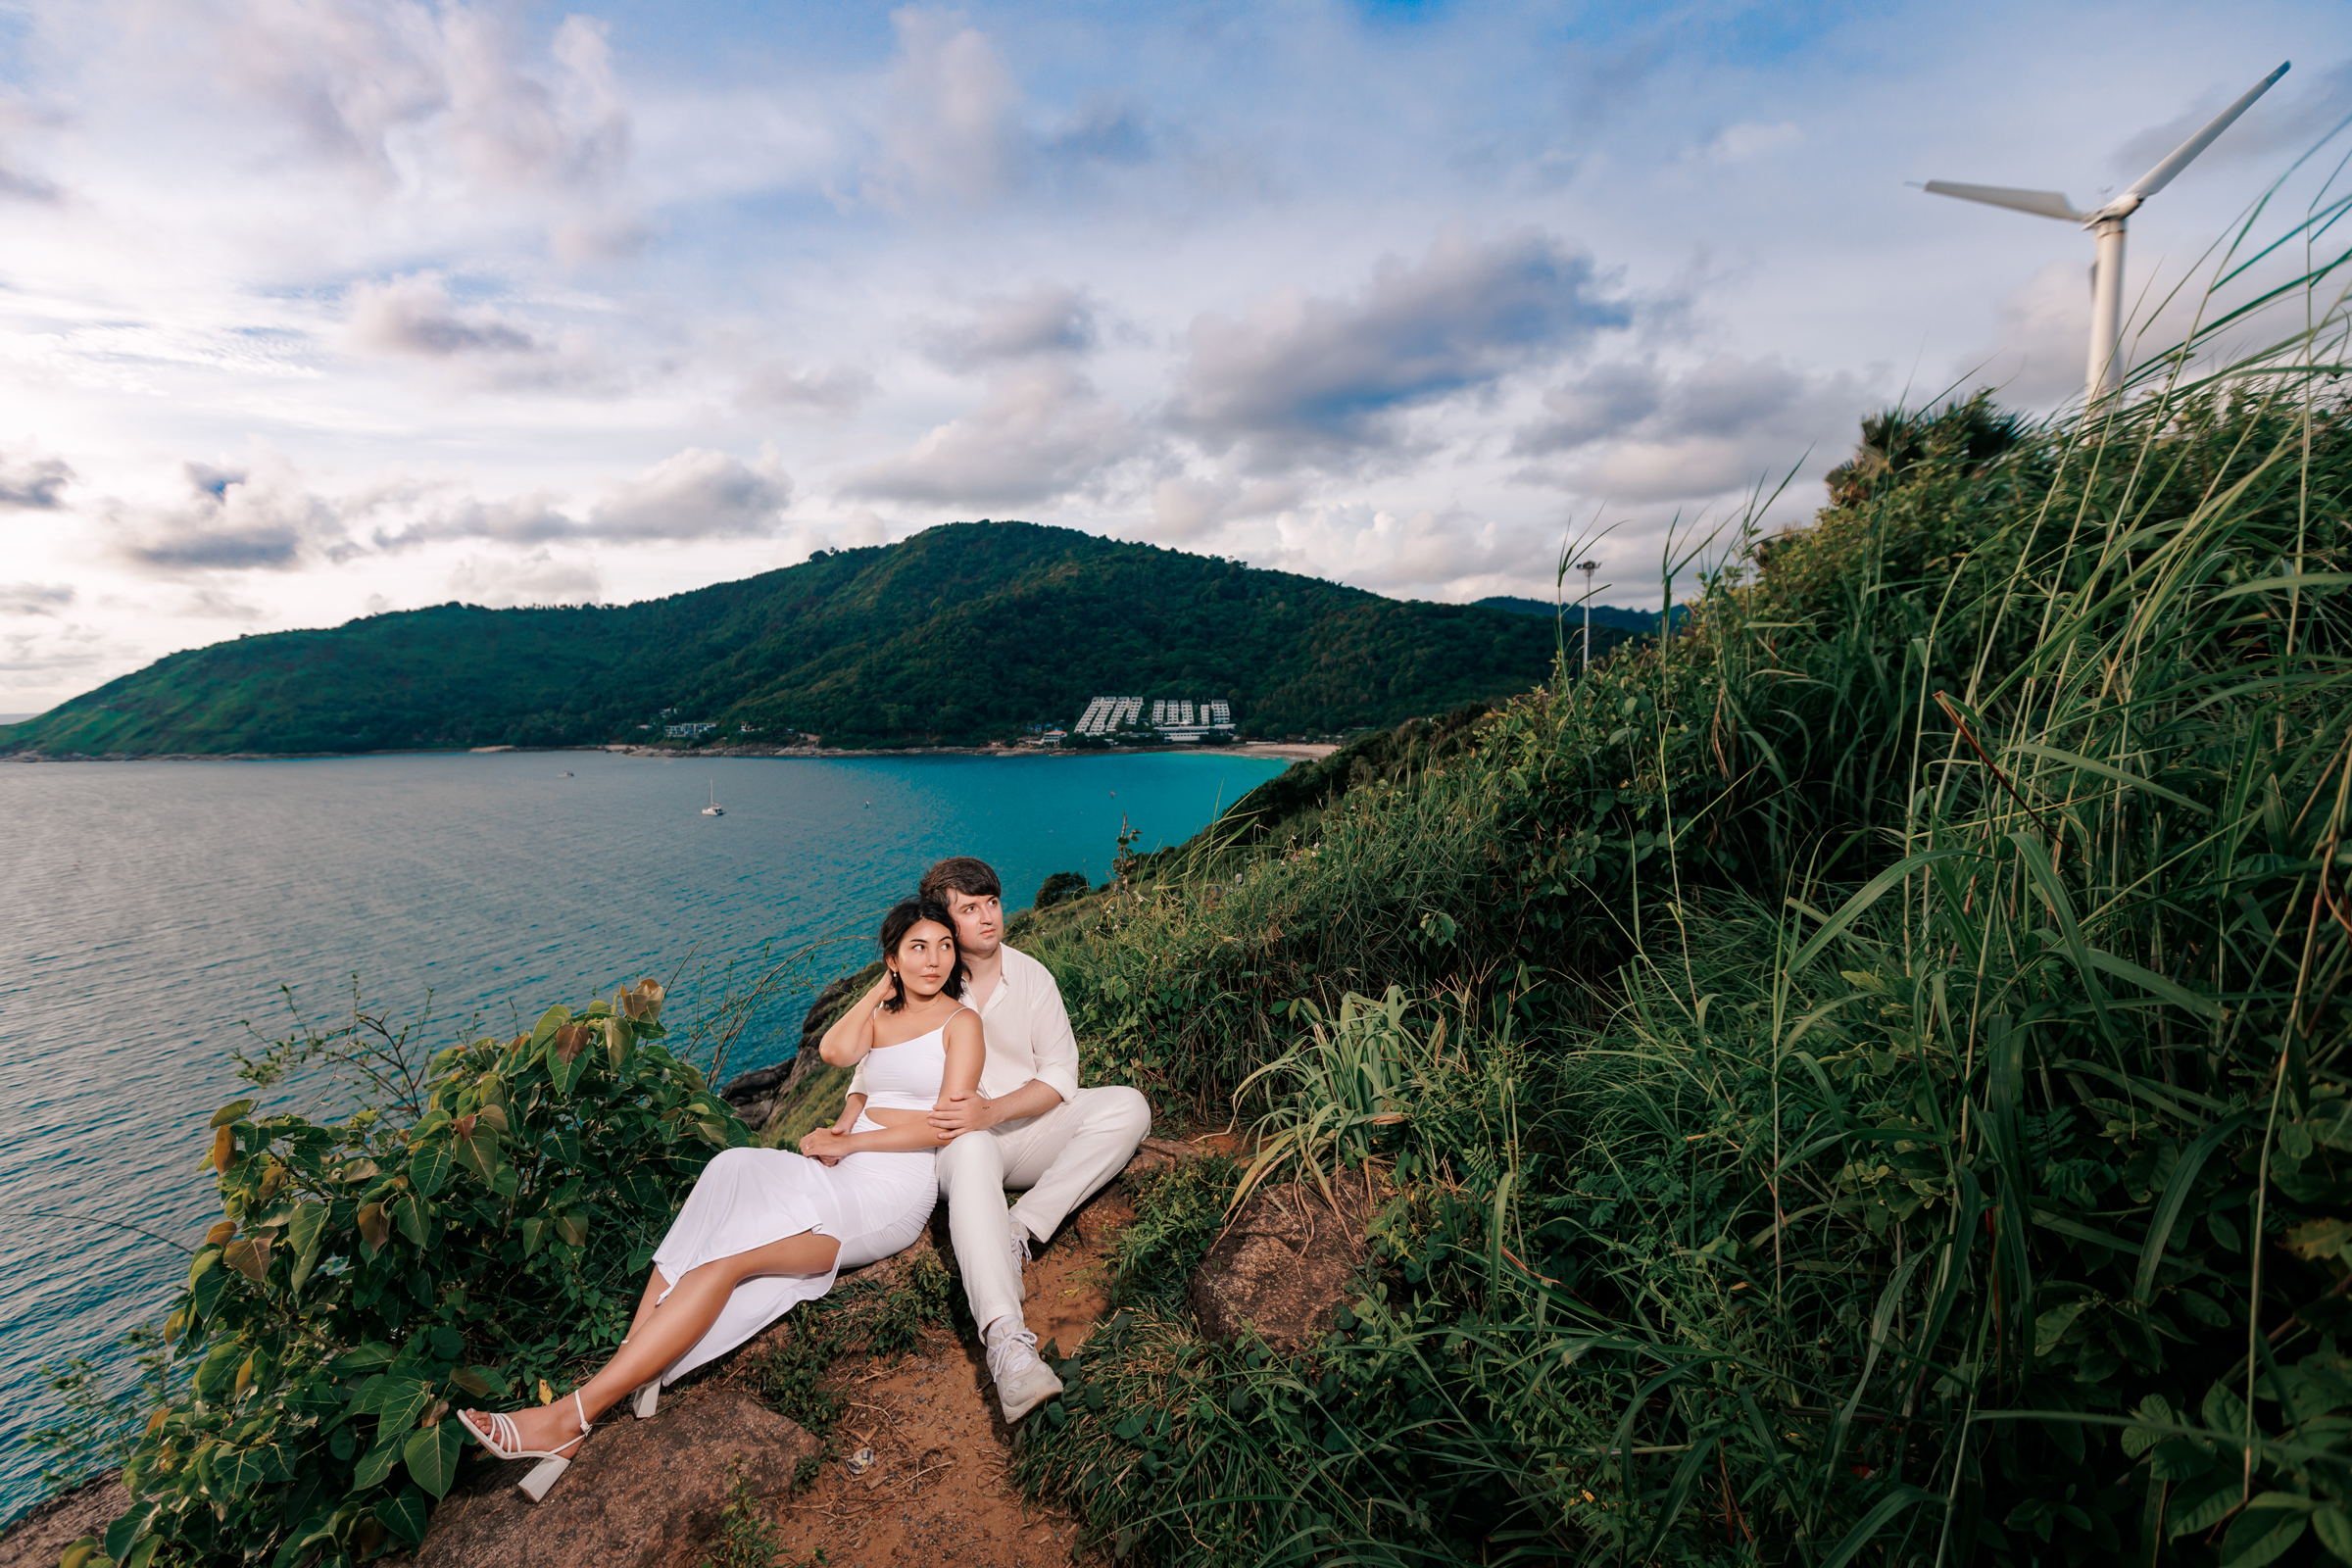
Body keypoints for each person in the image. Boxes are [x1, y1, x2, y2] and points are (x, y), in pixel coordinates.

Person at [461, 898, 982, 1501]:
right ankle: (636, 1358)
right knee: (731, 1165)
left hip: (887, 1193)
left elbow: (944, 1126)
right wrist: (878, 993)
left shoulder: (960, 1024)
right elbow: (837, 1053)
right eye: (918, 947)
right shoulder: (882, 1018)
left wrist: (853, 1141)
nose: (936, 959)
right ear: (892, 958)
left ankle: (571, 1416)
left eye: (945, 946)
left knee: (728, 1259)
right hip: (845, 1166)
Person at [819, 856, 1152, 1422]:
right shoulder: (926, 982)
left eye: (992, 902)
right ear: (943, 925)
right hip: (952, 1145)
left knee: (1127, 1105)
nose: (988, 917)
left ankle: (1019, 1230)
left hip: (1022, 1129)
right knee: (969, 1144)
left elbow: (1060, 1076)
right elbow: (875, 1062)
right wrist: (853, 1109)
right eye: (969, 910)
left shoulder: (1031, 975)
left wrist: (992, 1109)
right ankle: (1006, 1345)